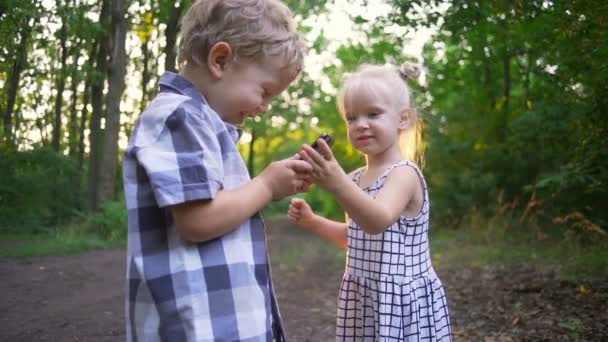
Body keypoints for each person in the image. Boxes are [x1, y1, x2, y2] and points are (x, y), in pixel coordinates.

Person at [122, 0, 312, 340]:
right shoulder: (178, 117)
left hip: (221, 321)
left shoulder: (205, 126)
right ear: (220, 60)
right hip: (196, 325)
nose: (264, 108)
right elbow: (198, 221)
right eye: (265, 91)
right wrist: (267, 186)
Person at [288, 63, 452, 341]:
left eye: (373, 114)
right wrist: (313, 222)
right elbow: (357, 237)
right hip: (365, 300)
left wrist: (336, 183)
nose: (361, 124)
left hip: (402, 303)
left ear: (402, 119)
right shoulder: (354, 180)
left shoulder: (404, 173)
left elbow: (377, 220)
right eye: (352, 118)